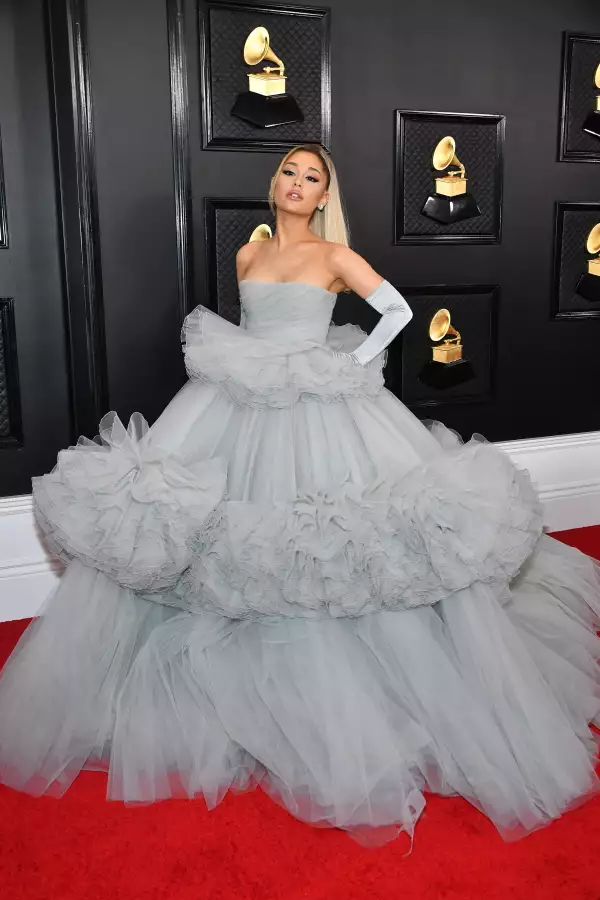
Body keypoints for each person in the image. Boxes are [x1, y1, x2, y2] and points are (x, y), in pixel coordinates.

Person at [1, 143, 599, 848]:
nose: (297, 183)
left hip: (320, 406)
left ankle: (336, 679)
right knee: (212, 530)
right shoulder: (248, 255)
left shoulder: (334, 256)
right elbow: (256, 324)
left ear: (323, 196)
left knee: (328, 540)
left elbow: (397, 310)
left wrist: (351, 362)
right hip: (237, 400)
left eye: (312, 177)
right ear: (276, 183)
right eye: (290, 171)